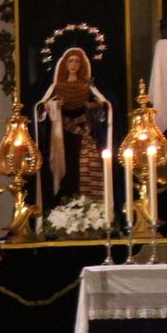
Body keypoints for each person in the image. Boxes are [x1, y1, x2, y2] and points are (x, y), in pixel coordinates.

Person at [32, 46, 111, 211]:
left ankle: (88, 207)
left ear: (82, 64)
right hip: (64, 137)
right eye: (71, 61)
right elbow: (41, 107)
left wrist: (95, 105)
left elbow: (105, 106)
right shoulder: (58, 87)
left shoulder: (87, 86)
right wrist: (53, 105)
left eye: (77, 61)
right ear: (65, 64)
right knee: (68, 171)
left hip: (85, 135)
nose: (74, 64)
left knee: (83, 169)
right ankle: (65, 208)